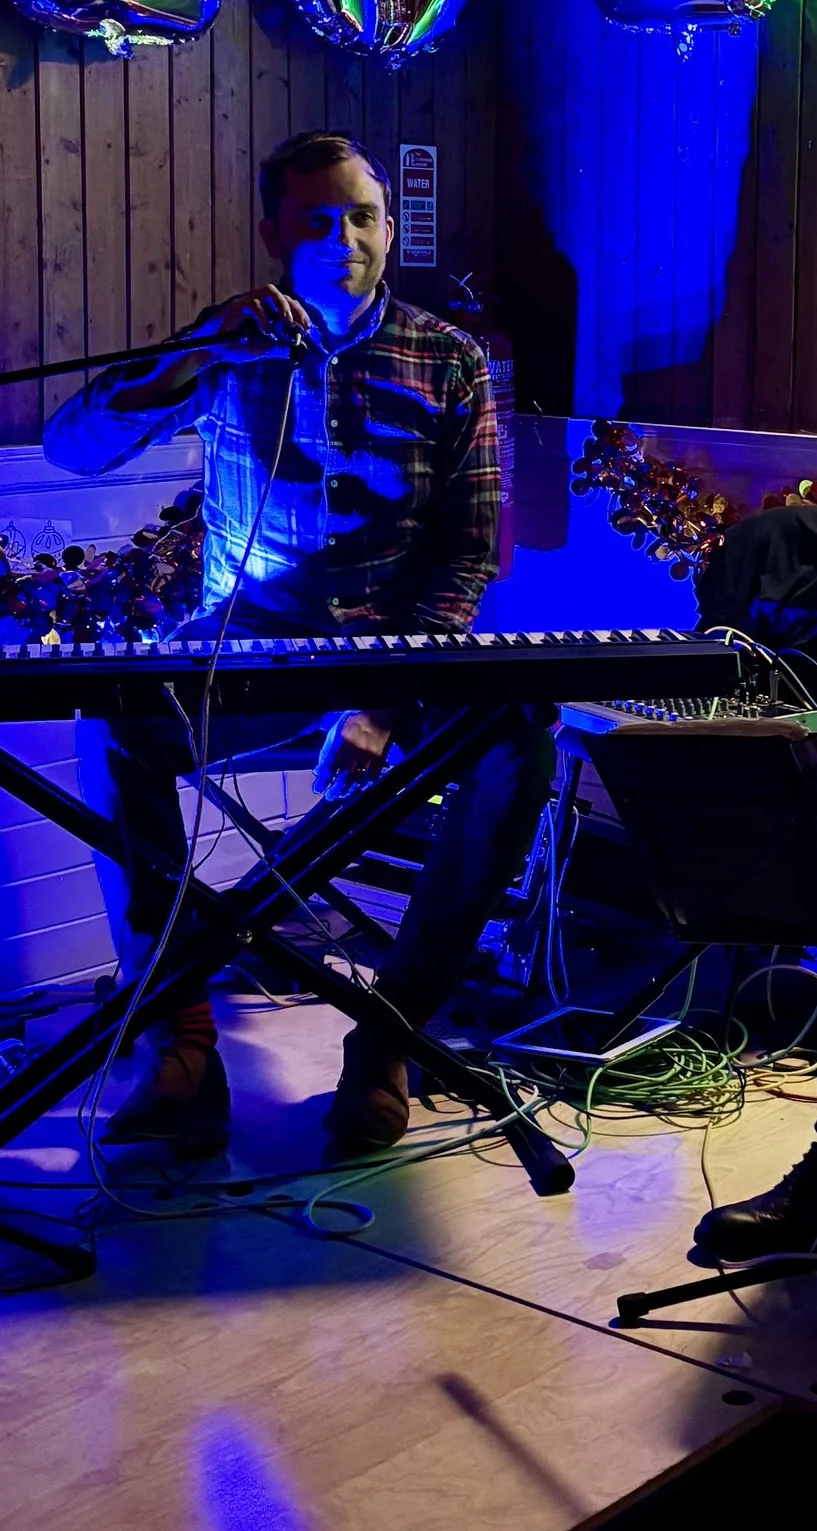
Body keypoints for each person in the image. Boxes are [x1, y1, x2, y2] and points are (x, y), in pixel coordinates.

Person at [43, 130, 550, 1160]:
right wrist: (199, 349)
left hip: (397, 653)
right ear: (274, 232)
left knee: (514, 750)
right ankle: (181, 1037)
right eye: (316, 221)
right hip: (253, 642)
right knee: (119, 724)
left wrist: (381, 699)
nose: (342, 239)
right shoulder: (231, 346)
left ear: (389, 227)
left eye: (360, 216)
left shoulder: (446, 359)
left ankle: (390, 1038)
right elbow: (74, 445)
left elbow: (464, 554)